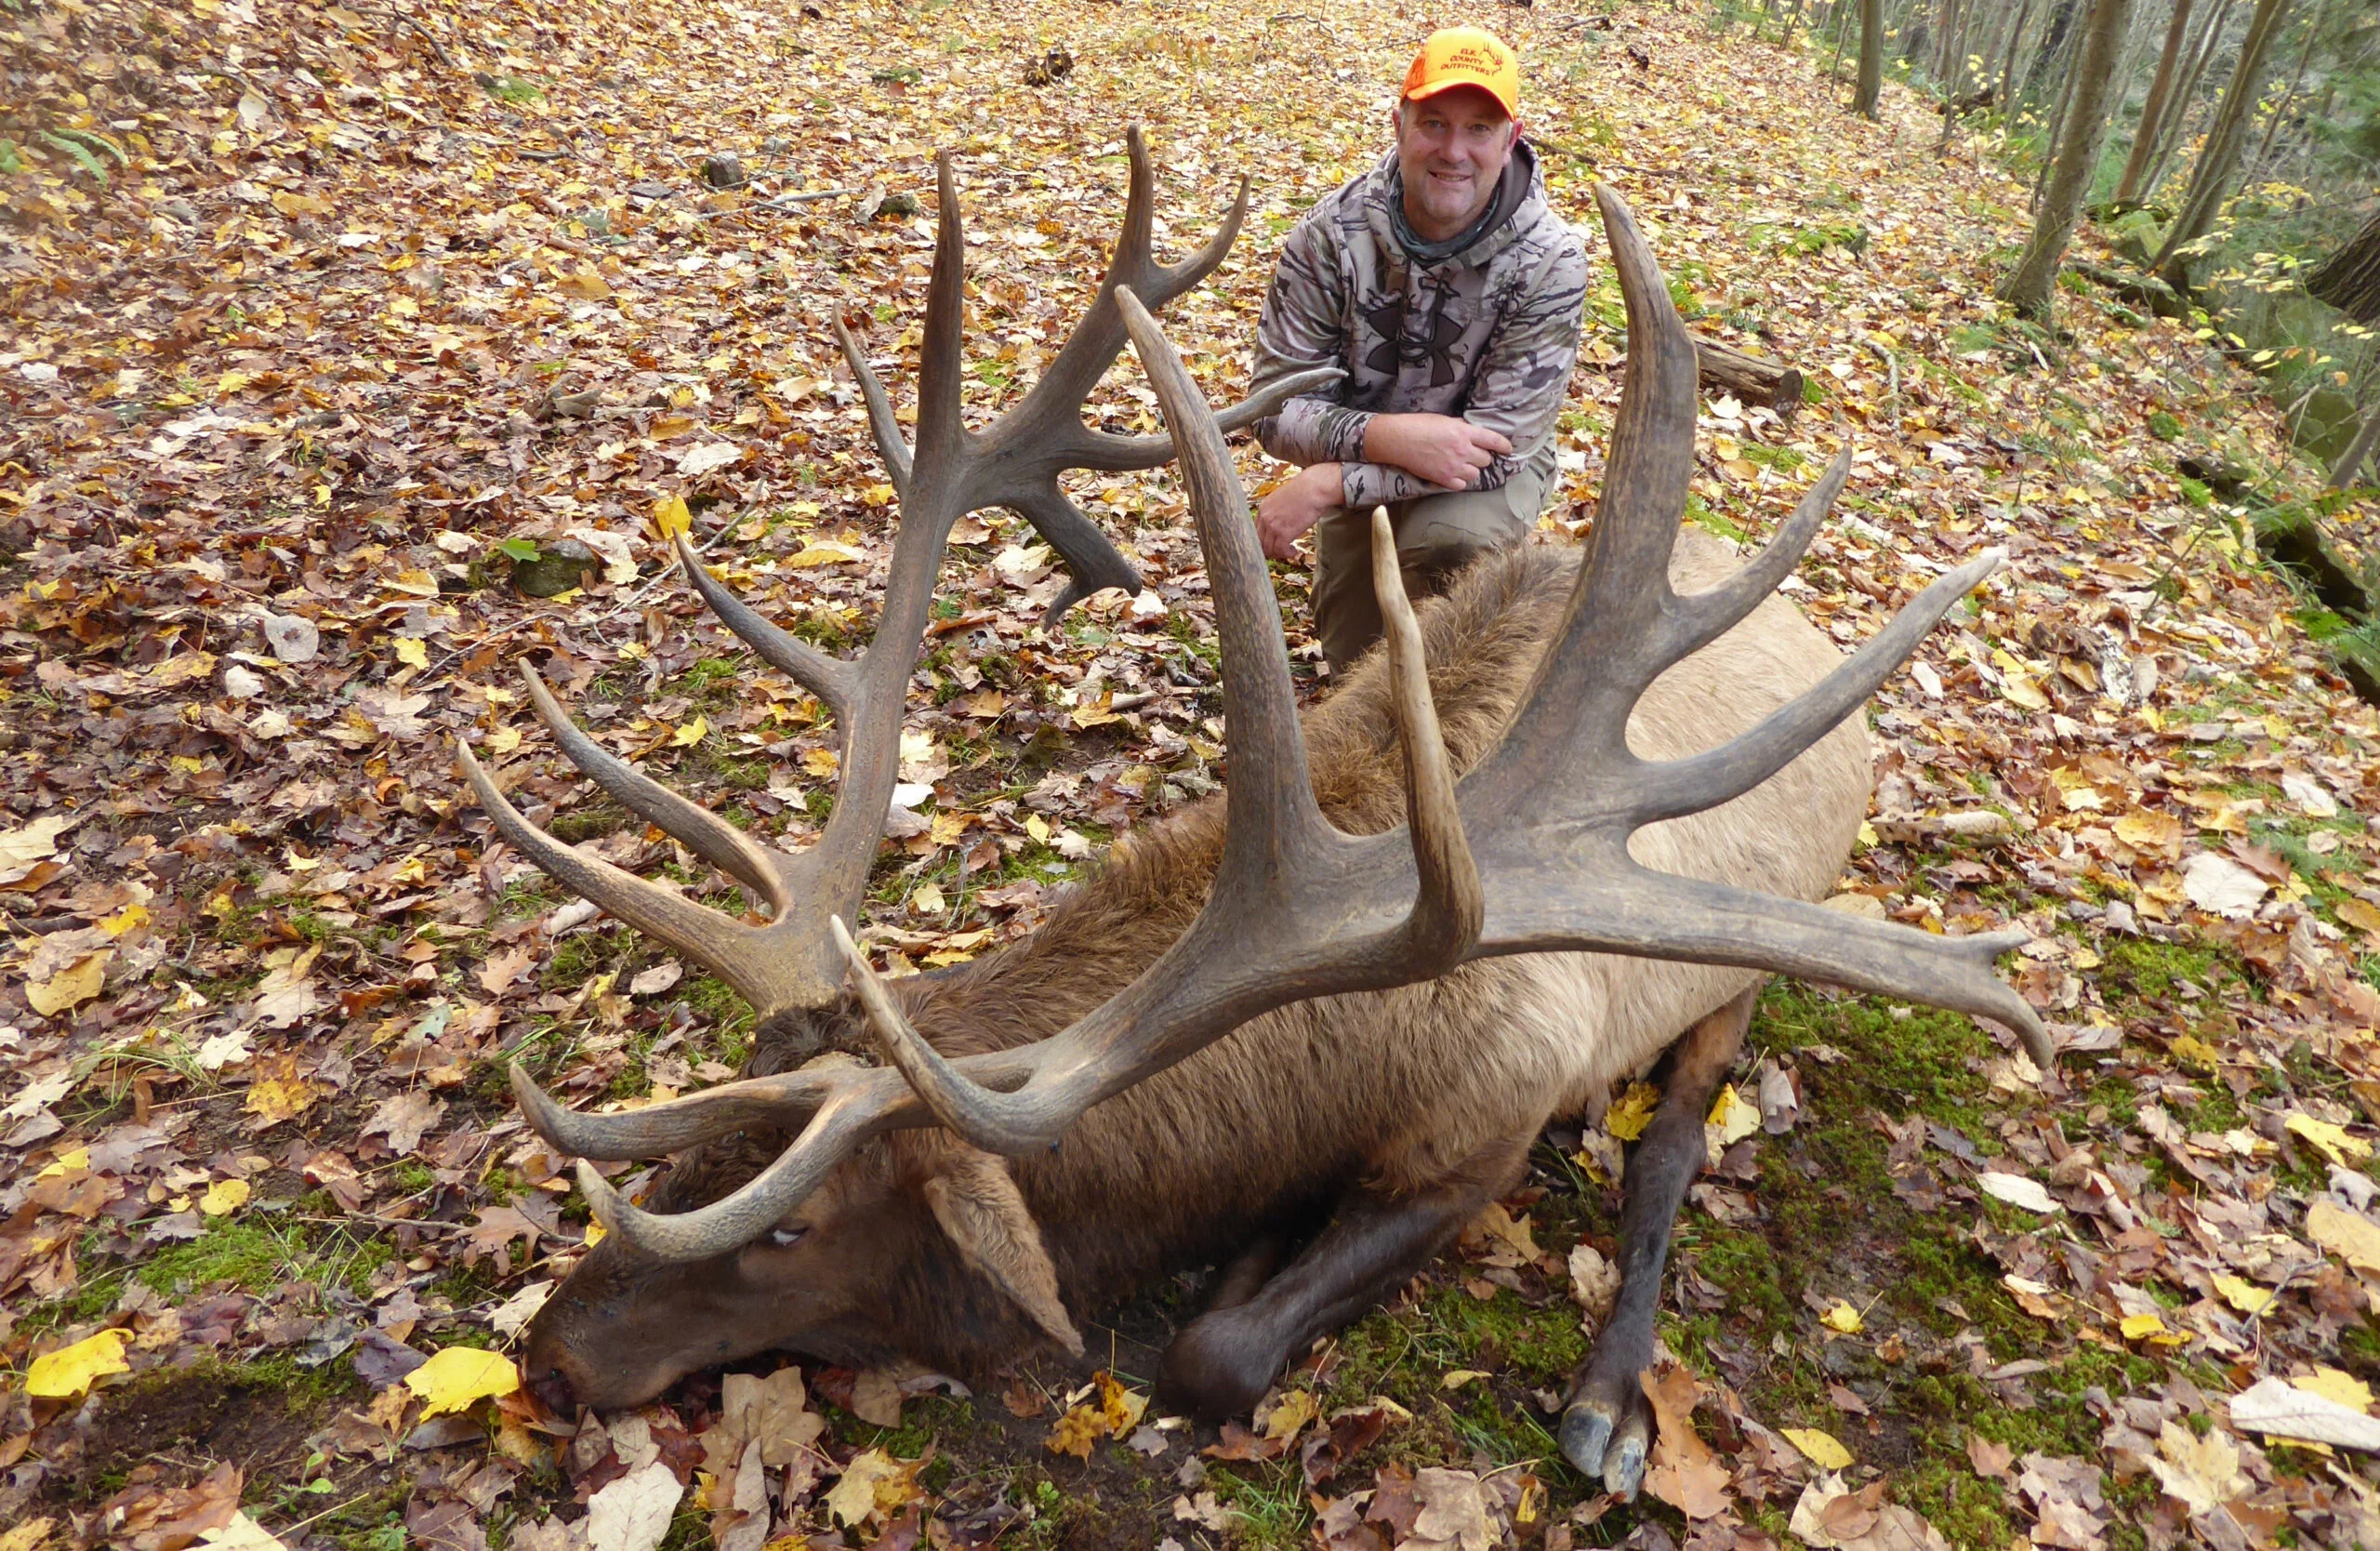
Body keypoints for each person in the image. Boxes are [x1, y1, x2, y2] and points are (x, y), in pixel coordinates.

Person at [1249, 25, 1589, 671]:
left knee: (1449, 554)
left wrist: (1333, 483)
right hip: (1369, 444)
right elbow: (1274, 411)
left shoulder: (1551, 262)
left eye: (1479, 129)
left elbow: (1496, 451)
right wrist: (1386, 438)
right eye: (1433, 122)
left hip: (1486, 474)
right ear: (1398, 123)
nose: (1453, 151)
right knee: (1357, 660)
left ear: (1511, 138)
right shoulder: (1327, 238)